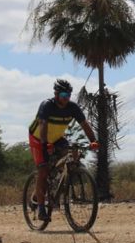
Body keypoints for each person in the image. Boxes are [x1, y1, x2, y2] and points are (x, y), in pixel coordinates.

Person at [28, 79, 100, 221]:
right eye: (62, 95)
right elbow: (43, 126)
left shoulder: (72, 107)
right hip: (38, 138)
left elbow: (85, 125)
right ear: (56, 94)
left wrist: (93, 141)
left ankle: (56, 182)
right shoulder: (47, 105)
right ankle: (41, 207)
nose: (65, 98)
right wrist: (45, 144)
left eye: (68, 95)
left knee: (71, 155)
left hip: (57, 138)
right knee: (43, 170)